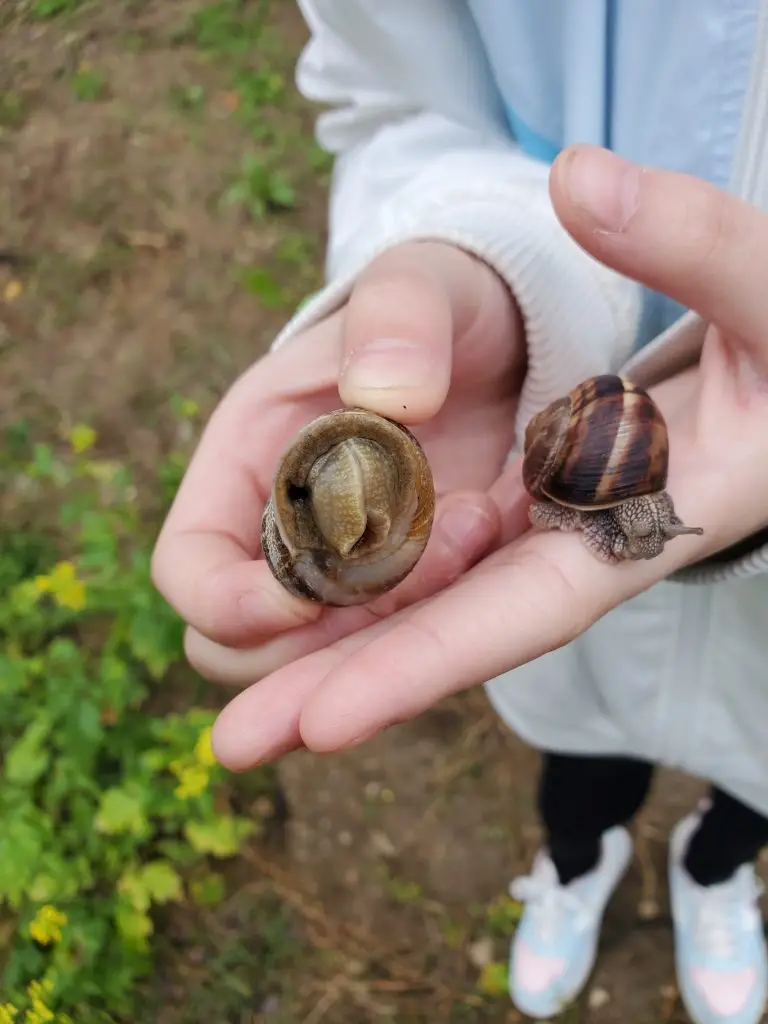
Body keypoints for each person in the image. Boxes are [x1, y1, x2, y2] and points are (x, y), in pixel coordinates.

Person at [151, 3, 768, 1021]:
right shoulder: (519, 477)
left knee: (750, 783)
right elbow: (399, 101)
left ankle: (715, 872)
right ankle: (579, 862)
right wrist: (478, 261)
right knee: (582, 766)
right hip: (535, 507)